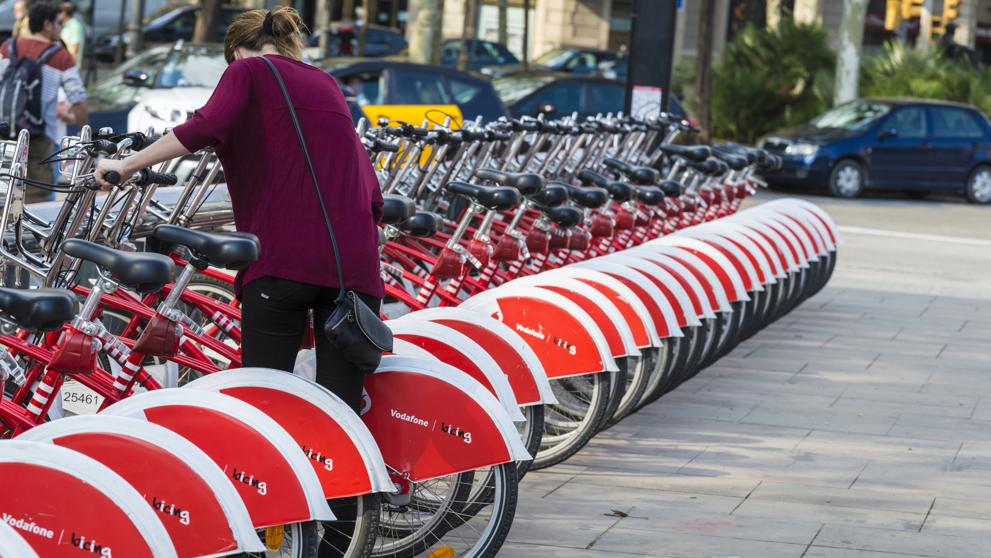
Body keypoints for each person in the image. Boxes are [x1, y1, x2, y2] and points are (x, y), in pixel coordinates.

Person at [95, 10, 382, 554]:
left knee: (262, 405)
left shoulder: (249, 74)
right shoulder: (324, 82)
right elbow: (370, 187)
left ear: (235, 53)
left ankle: (264, 535)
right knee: (340, 415)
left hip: (283, 260)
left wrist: (124, 166)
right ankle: (341, 542)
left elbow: (203, 127)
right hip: (354, 271)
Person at [0, 1, 88, 202]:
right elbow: (78, 99)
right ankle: (29, 233)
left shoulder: (8, 46)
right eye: (59, 23)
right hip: (39, 137)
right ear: (47, 24)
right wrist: (85, 133)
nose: (62, 27)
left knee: (3, 191)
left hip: (4, 131)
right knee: (35, 194)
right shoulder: (60, 56)